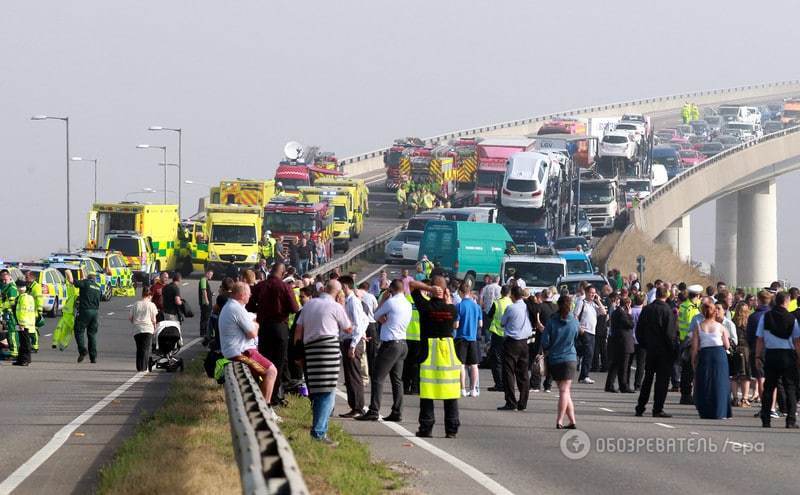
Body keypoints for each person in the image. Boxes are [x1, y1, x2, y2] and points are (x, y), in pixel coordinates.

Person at [294, 280, 352, 444]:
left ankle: (321, 430)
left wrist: (298, 352)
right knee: (326, 391)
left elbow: (299, 330)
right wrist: (341, 305)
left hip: (310, 348)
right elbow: (348, 328)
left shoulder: (310, 304)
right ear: (338, 292)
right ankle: (318, 432)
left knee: (318, 389)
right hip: (328, 348)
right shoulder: (336, 307)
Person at [410, 275, 460, 438]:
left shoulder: (425, 307)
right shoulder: (452, 310)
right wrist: (447, 298)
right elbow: (451, 310)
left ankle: (426, 428)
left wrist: (428, 288)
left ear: (432, 290)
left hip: (428, 353)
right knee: (451, 395)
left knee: (427, 394)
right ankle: (451, 430)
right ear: (446, 291)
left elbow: (411, 285)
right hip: (447, 355)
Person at [220, 282, 278, 415]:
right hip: (242, 352)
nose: (250, 296)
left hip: (233, 351)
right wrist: (256, 324)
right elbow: (252, 333)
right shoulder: (237, 309)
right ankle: (265, 410)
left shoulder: (230, 306)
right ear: (242, 295)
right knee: (271, 372)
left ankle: (260, 406)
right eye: (248, 293)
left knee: (260, 377)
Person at [358, 279, 411, 422]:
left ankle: (374, 410)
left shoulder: (391, 301)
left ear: (391, 290)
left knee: (377, 377)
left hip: (390, 344)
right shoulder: (407, 303)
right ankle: (397, 411)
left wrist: (383, 300)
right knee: (397, 380)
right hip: (402, 343)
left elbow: (374, 316)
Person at [255, 262, 300, 405]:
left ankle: (262, 391)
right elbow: (294, 308)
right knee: (279, 363)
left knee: (264, 362)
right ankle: (274, 396)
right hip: (280, 327)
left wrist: (261, 308)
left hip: (264, 327)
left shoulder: (260, 286)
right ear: (283, 273)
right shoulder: (285, 287)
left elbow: (249, 305)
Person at [755, 292, 800, 428]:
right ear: (786, 302)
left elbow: (760, 339)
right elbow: (797, 341)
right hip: (787, 355)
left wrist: (757, 356)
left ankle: (766, 419)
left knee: (769, 387)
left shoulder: (766, 317)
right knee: (790, 388)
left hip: (771, 355)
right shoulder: (792, 319)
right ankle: (790, 420)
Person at [635, 286, 677, 418]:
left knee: (647, 379)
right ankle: (658, 408)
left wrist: (644, 344)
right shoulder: (667, 311)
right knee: (662, 381)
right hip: (663, 351)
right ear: (667, 295)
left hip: (650, 350)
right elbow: (670, 334)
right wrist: (673, 350)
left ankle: (640, 407)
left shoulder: (647, 309)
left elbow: (639, 330)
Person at [542, 294, 579, 429]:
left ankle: (560, 420)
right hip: (570, 358)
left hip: (555, 359)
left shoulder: (552, 322)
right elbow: (576, 337)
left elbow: (545, 341)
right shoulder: (574, 322)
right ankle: (572, 420)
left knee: (563, 390)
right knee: (565, 391)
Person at [690, 300, 732, 419]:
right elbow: (727, 345)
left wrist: (693, 360)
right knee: (720, 382)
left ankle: (705, 410)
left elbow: (694, 347)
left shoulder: (698, 327)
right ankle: (720, 411)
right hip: (719, 354)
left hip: (705, 354)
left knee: (705, 382)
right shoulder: (721, 326)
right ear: (714, 313)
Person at [497, 286, 533, 411]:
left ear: (512, 295)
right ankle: (523, 402)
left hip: (512, 342)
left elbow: (502, 322)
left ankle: (511, 401)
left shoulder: (511, 308)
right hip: (524, 342)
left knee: (508, 372)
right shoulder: (527, 306)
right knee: (523, 374)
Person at [339, 276, 368, 418]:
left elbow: (358, 324)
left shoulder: (354, 302)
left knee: (354, 376)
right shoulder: (349, 301)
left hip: (352, 342)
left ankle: (358, 407)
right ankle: (354, 407)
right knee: (350, 377)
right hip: (349, 341)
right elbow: (365, 320)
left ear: (345, 286)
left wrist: (353, 345)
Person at [66, 269, 102, 363]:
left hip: (85, 311)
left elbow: (71, 280)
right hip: (95, 313)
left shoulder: (85, 283)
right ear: (94, 279)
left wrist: (68, 271)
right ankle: (93, 358)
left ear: (88, 278)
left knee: (79, 331)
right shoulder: (98, 287)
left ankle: (82, 350)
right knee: (92, 335)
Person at [574, 285, 607, 384]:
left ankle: (583, 375)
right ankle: (584, 376)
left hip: (593, 332)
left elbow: (603, 312)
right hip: (585, 331)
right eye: (591, 293)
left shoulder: (593, 304)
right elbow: (575, 316)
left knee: (589, 354)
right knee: (588, 353)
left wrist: (598, 301)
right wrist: (579, 328)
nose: (593, 295)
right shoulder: (581, 303)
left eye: (594, 293)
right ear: (587, 293)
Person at [454, 282, 482, 397]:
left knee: (461, 364)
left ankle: (462, 389)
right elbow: (480, 324)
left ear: (461, 292)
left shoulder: (459, 306)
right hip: (473, 338)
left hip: (461, 338)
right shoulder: (477, 307)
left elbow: (456, 325)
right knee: (474, 365)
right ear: (470, 292)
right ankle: (473, 389)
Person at [678, 285, 703, 404]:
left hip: (683, 339)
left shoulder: (683, 305)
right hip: (690, 341)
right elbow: (692, 328)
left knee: (686, 370)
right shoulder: (691, 308)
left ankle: (685, 394)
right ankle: (687, 395)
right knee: (689, 370)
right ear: (697, 295)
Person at [605, 296, 635, 393]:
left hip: (617, 341)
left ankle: (609, 384)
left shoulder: (616, 312)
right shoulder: (622, 314)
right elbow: (630, 325)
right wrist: (630, 314)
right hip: (623, 342)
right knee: (623, 366)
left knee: (615, 364)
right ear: (627, 304)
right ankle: (623, 386)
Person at [486, 285, 512, 391]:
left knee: (497, 360)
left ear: (501, 293)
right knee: (508, 360)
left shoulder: (497, 303)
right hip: (509, 335)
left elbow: (489, 316)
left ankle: (499, 384)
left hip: (497, 334)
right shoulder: (512, 303)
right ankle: (507, 383)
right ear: (509, 293)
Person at [129, 287, 158, 371]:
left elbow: (130, 317)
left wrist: (135, 322)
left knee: (139, 348)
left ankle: (139, 366)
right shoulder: (151, 305)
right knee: (146, 348)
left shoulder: (136, 304)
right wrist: (155, 325)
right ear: (149, 295)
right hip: (147, 328)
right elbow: (154, 319)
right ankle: (143, 367)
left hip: (137, 329)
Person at [731, 302, 752, 407]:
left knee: (734, 375)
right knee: (746, 376)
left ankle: (735, 398)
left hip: (735, 349)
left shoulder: (732, 322)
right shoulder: (748, 323)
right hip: (746, 349)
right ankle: (744, 398)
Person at [12, 280, 35, 366]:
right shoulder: (25, 297)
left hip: (24, 323)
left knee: (25, 342)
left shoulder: (24, 298)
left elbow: (23, 312)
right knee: (22, 342)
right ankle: (21, 359)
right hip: (22, 323)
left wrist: (21, 324)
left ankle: (25, 360)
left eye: (18, 287)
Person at [0, 269, 20, 360]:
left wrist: (4, 308)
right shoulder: (5, 286)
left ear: (9, 276)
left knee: (12, 333)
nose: (4, 281)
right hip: (6, 313)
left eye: (5, 279)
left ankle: (14, 353)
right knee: (8, 333)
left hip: (10, 314)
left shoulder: (12, 288)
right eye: (2, 279)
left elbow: (12, 303)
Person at [24, 271, 43, 353]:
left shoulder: (36, 287)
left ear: (32, 277)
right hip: (28, 312)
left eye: (27, 277)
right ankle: (32, 345)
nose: (25, 279)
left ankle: (35, 346)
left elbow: (39, 299)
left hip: (34, 312)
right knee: (29, 329)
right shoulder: (29, 286)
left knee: (33, 329)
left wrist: (39, 311)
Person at [199, 269, 214, 343]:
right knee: (205, 317)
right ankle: (203, 332)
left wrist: (211, 294)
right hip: (205, 304)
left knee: (205, 317)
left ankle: (203, 332)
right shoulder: (203, 280)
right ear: (207, 273)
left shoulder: (205, 280)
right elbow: (204, 290)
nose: (211, 276)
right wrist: (207, 301)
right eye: (210, 274)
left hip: (205, 302)